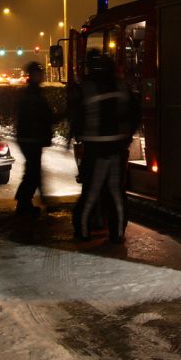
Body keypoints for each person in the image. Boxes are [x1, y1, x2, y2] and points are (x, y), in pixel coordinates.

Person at [72, 49, 140, 243]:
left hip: (95, 148)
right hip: (117, 148)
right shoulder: (120, 86)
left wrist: (78, 135)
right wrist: (127, 137)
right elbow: (135, 113)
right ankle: (117, 233)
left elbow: (76, 116)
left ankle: (83, 232)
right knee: (116, 192)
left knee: (91, 192)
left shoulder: (86, 88)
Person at [14, 61, 55, 216]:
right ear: (33, 75)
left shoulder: (33, 92)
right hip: (31, 138)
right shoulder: (32, 94)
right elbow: (42, 116)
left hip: (30, 138)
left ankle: (24, 203)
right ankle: (23, 203)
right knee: (33, 172)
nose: (41, 76)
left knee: (32, 171)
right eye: (39, 73)